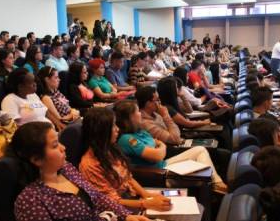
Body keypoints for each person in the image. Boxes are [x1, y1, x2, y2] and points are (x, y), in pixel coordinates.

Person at [13, 122, 149, 221]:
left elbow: (97, 197)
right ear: (37, 159)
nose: (63, 147)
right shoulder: (30, 200)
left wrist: (127, 216)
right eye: (55, 146)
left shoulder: (67, 169)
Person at [114, 100, 227, 193]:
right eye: (137, 111)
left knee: (200, 150)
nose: (140, 114)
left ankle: (216, 183)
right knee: (203, 177)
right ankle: (216, 184)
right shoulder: (127, 139)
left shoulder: (139, 131)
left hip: (164, 164)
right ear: (130, 117)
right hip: (159, 174)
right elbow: (157, 155)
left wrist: (159, 146)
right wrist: (161, 146)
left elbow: (157, 145)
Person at [80, 107, 172, 212]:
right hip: (119, 210)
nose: (117, 129)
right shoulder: (89, 164)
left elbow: (128, 178)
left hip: (132, 198)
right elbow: (110, 202)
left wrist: (146, 195)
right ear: (101, 131)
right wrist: (146, 203)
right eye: (113, 125)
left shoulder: (110, 149)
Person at [37, 66, 80, 131]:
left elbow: (69, 108)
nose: (59, 79)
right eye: (56, 77)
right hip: (68, 126)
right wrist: (72, 114)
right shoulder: (46, 98)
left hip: (74, 120)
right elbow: (60, 119)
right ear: (47, 79)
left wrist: (73, 112)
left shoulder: (57, 92)